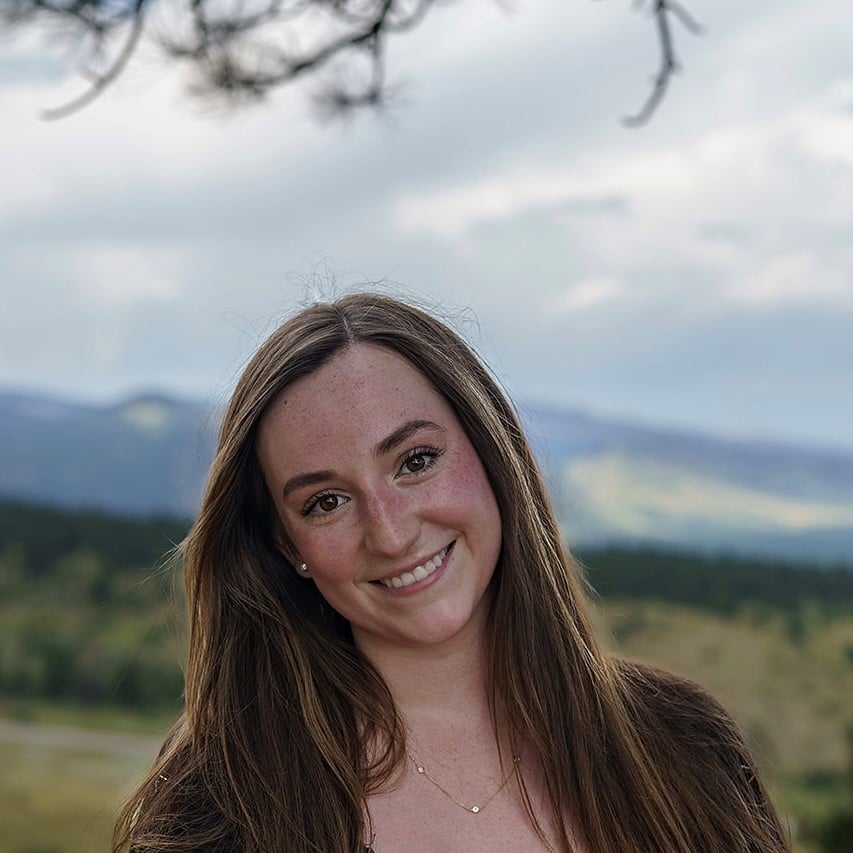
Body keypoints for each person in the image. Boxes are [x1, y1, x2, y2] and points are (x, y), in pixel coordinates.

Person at [113, 292, 789, 852]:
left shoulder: (683, 743)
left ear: (494, 453)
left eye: (414, 460)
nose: (390, 528)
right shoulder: (225, 798)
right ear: (287, 544)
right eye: (326, 501)